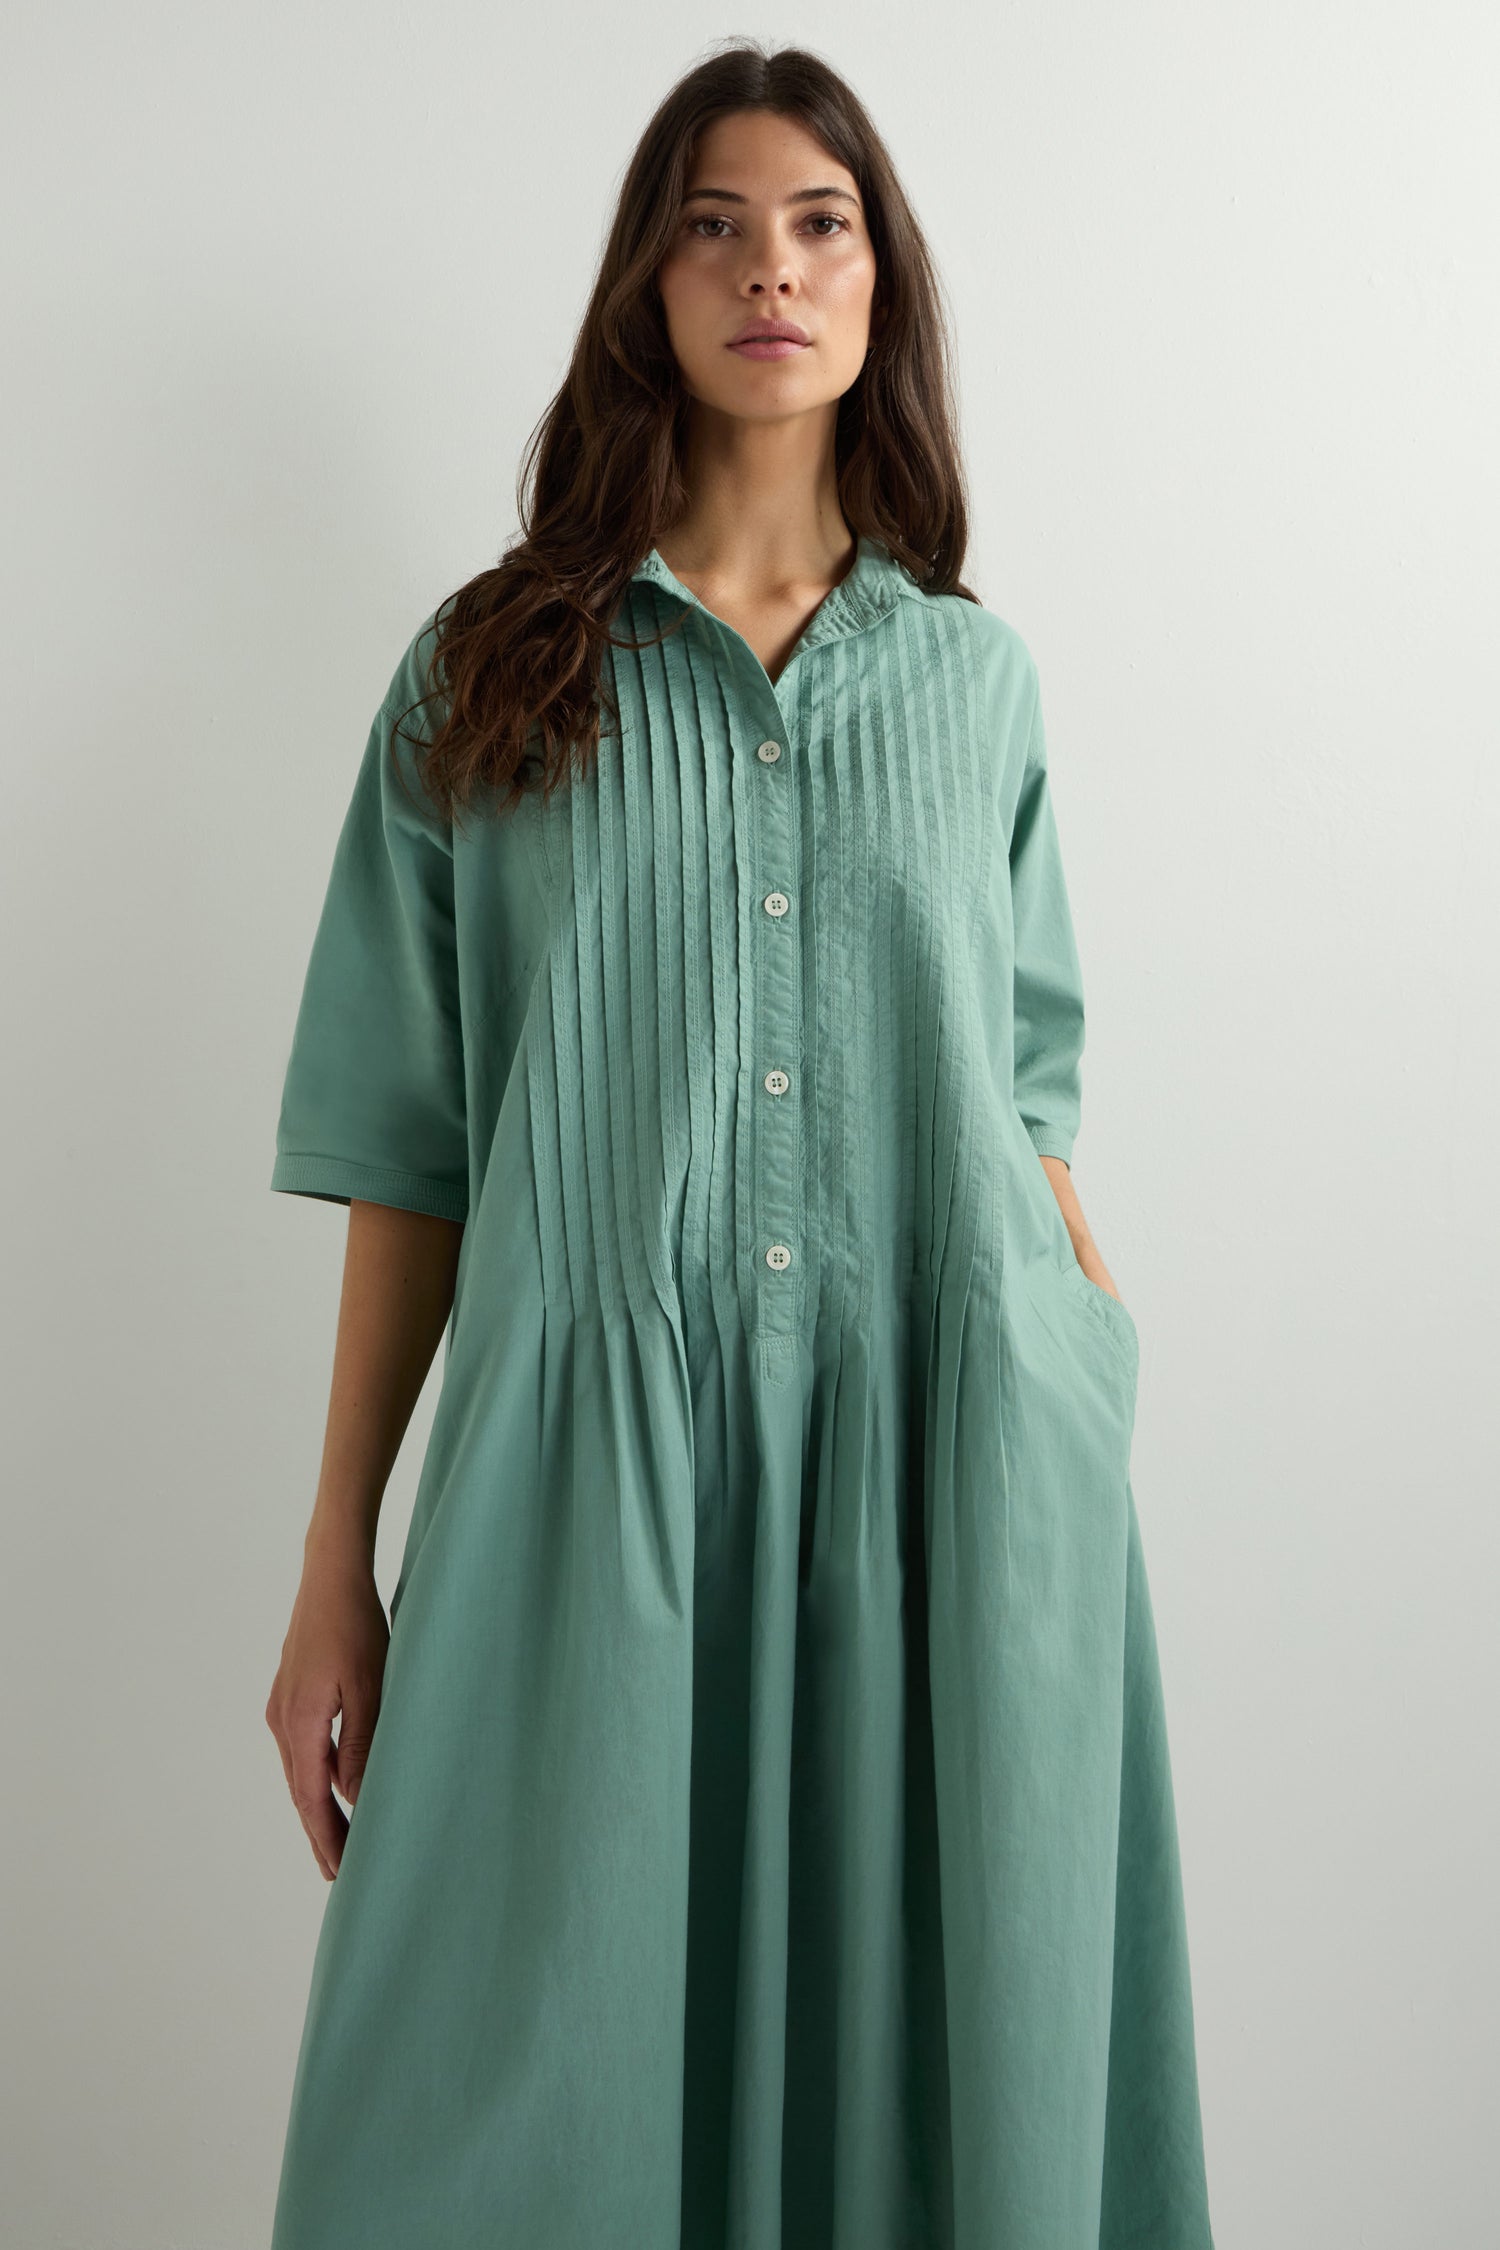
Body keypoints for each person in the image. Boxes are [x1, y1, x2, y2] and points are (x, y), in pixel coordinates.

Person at [262, 40, 1215, 2250]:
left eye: (820, 222)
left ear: (882, 288)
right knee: (503, 2071)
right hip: (587, 1478)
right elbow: (414, 1146)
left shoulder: (978, 686)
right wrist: (338, 1557)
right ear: (647, 286)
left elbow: (1028, 1093)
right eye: (715, 222)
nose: (769, 266)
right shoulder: (489, 673)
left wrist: (1080, 1357)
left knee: (931, 2071)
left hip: (942, 1466)